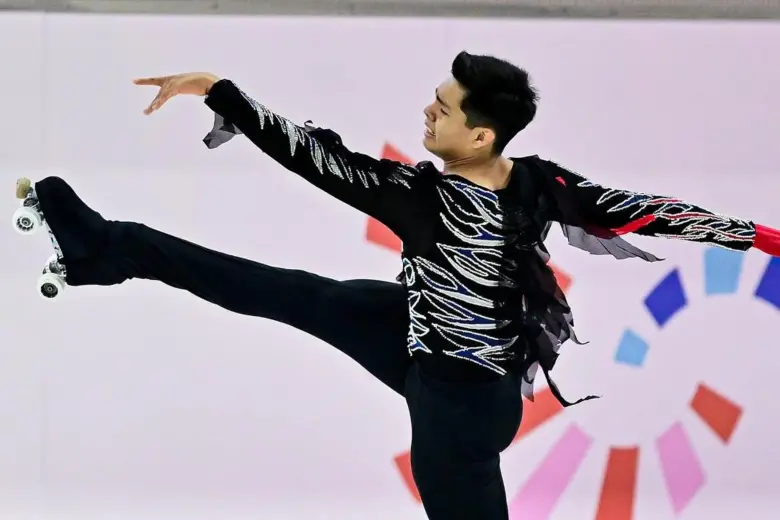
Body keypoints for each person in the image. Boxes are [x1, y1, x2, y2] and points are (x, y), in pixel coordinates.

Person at [15, 52, 780, 520]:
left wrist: (223, 91)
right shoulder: (539, 180)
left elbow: (317, 160)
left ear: (480, 135)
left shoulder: (441, 198)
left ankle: (110, 251)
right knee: (293, 292)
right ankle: (106, 249)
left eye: (442, 108)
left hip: (461, 407)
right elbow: (652, 212)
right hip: (417, 332)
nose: (429, 110)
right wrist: (767, 237)